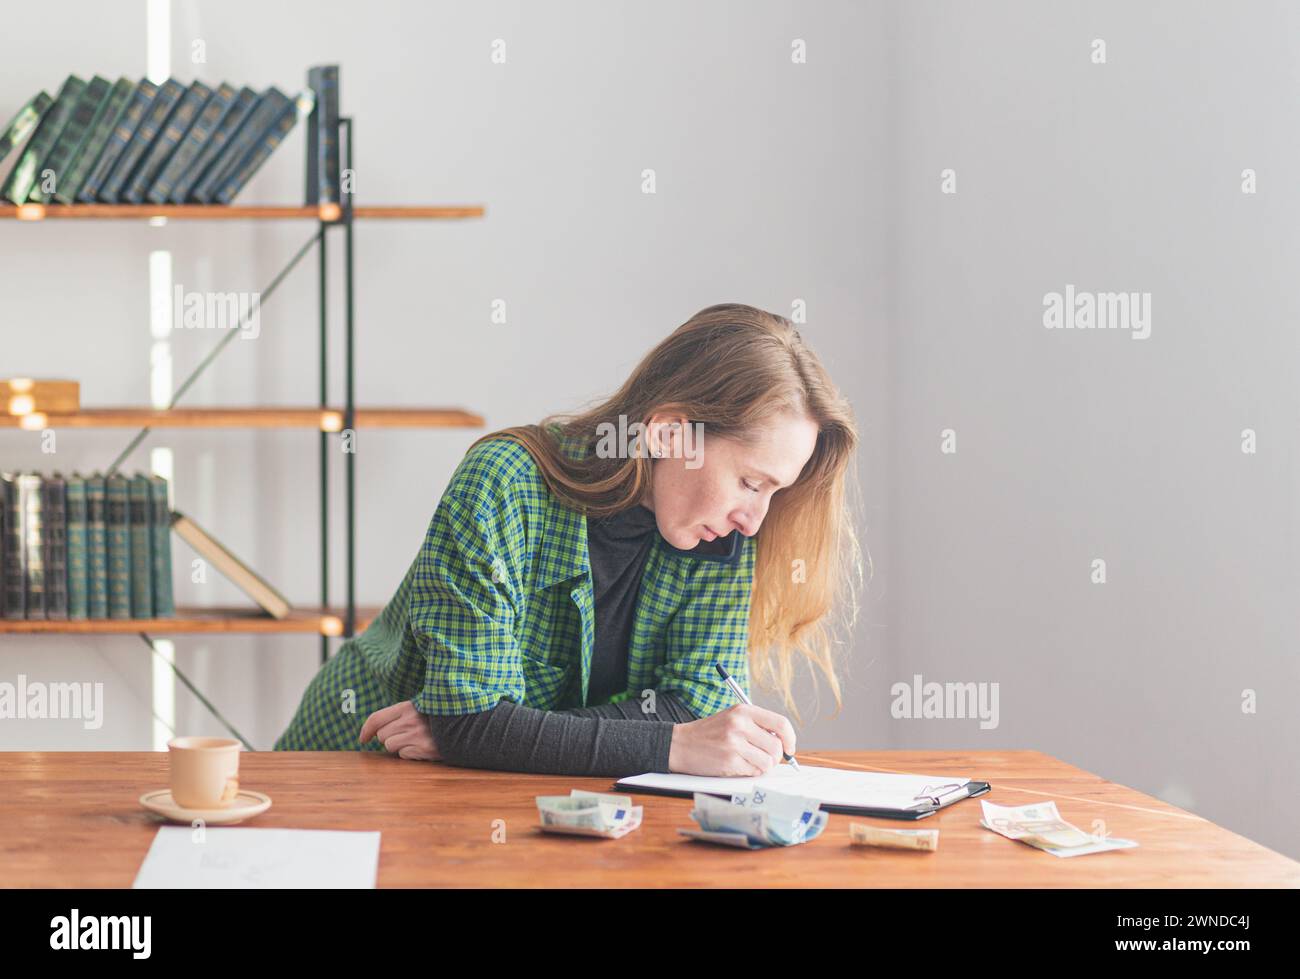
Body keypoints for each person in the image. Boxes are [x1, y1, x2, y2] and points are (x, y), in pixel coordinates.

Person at [274, 302, 863, 777]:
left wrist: (490, 735)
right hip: (348, 768)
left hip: (489, 792)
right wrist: (671, 748)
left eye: (772, 493)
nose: (754, 521)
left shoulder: (720, 535)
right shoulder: (503, 483)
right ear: (669, 434)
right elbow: (477, 722)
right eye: (750, 482)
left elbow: (692, 705)